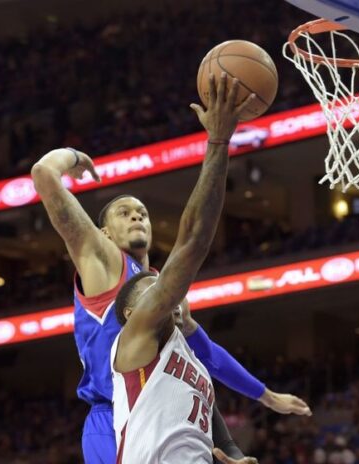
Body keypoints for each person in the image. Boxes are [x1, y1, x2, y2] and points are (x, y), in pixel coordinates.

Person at [31, 72, 310, 464]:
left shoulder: (161, 286)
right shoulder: (103, 259)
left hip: (165, 415)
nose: (137, 216)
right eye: (124, 213)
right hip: (114, 416)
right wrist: (75, 158)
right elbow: (43, 175)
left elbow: (203, 354)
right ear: (104, 232)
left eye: (142, 213)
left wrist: (264, 396)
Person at [110, 72, 259, 463]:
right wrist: (219, 141)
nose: (167, 291)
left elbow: (201, 433)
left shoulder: (191, 364)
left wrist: (232, 456)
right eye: (153, 288)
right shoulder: (134, 340)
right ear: (132, 312)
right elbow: (193, 242)